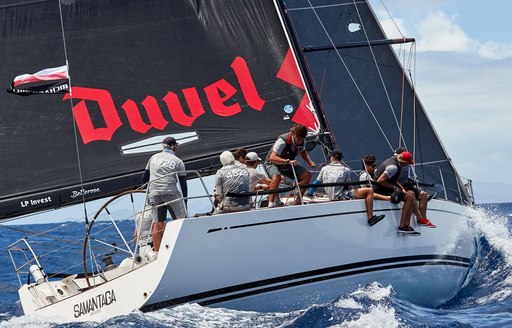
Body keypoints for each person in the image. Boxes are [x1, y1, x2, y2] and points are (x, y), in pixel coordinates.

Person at [307, 150, 385, 226]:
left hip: (330, 196)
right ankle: (370, 218)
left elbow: (316, 183)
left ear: (332, 158)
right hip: (341, 196)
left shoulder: (324, 169)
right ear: (341, 159)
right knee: (369, 191)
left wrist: (309, 193)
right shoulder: (346, 170)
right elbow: (346, 186)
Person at [142, 136, 188, 253]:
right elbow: (183, 184)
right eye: (176, 145)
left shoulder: (153, 158)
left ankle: (158, 253)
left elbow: (144, 178)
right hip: (170, 193)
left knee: (158, 223)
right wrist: (185, 201)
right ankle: (182, 249)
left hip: (154, 193)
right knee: (181, 220)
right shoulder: (178, 161)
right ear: (173, 146)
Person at [266, 124, 316, 207]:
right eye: (299, 139)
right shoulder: (282, 140)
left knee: (307, 175)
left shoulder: (302, 141)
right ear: (294, 135)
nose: (300, 141)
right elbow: (272, 157)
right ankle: (271, 204)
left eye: (302, 139)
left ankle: (298, 201)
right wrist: (287, 161)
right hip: (273, 163)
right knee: (277, 177)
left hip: (288, 163)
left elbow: (303, 152)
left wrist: (310, 162)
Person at [374, 151, 421, 234]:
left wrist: (402, 188)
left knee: (411, 194)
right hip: (381, 190)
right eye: (408, 163)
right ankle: (402, 226)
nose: (408, 165)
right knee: (410, 197)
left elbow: (393, 179)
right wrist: (395, 188)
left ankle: (407, 225)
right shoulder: (393, 167)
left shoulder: (395, 160)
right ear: (404, 162)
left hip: (385, 188)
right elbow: (380, 181)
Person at [393, 148, 436, 228]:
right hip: (399, 187)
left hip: (407, 186)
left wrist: (410, 180)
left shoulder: (407, 164)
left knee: (423, 194)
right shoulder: (395, 165)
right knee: (411, 195)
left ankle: (424, 219)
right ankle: (419, 218)